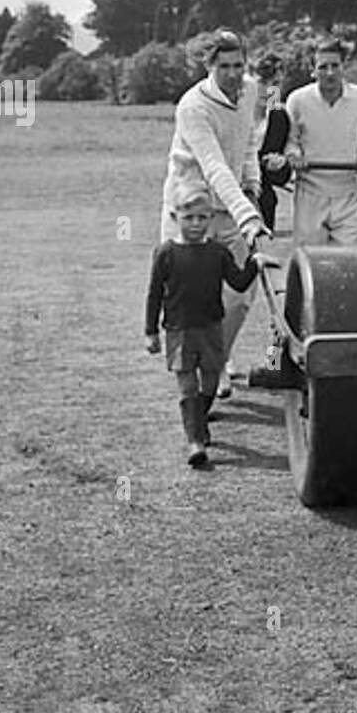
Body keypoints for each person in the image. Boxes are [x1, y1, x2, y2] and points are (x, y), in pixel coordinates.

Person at [160, 29, 269, 399]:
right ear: (209, 66)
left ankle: (217, 360)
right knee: (195, 300)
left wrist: (253, 185)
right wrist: (249, 216)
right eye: (224, 66)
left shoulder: (251, 90)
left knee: (239, 297)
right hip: (192, 209)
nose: (233, 74)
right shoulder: (193, 106)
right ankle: (198, 380)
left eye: (239, 65)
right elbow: (215, 167)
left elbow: (249, 142)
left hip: (234, 205)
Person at [145, 186, 259, 467]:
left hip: (211, 329)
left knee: (208, 383)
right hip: (178, 330)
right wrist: (151, 332)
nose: (195, 224)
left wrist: (255, 263)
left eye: (202, 218)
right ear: (176, 217)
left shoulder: (217, 253)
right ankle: (194, 441)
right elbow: (154, 294)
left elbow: (239, 282)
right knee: (187, 385)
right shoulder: (166, 253)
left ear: (211, 218)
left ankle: (200, 420)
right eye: (189, 218)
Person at [266, 38, 357, 247]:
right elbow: (291, 142)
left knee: (352, 264)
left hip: (348, 194)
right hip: (310, 195)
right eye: (323, 67)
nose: (329, 73)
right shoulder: (297, 100)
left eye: (335, 66)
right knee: (311, 263)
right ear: (313, 70)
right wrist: (294, 156)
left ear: (343, 66)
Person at [252, 52, 292, 233]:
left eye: (275, 85)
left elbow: (280, 178)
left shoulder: (279, 118)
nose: (269, 90)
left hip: (263, 200)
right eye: (262, 83)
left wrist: (279, 165)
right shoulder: (231, 114)